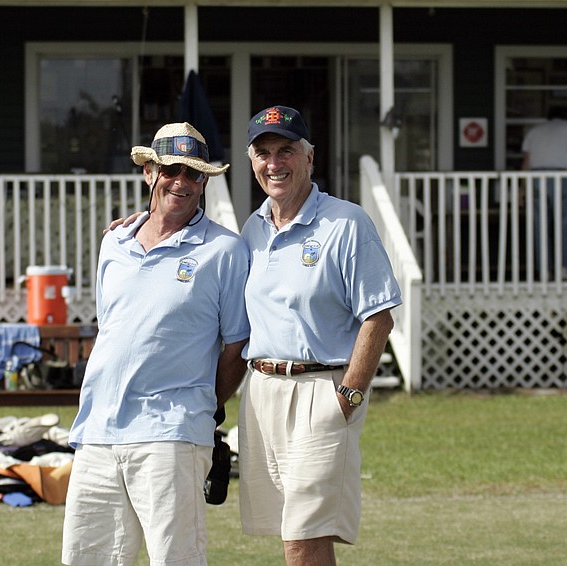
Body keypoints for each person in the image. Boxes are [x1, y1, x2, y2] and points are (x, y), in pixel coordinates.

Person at [61, 122, 250, 566]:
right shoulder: (114, 241)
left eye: (194, 174)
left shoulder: (226, 251)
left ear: (204, 182)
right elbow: (112, 330)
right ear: (149, 172)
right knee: (87, 560)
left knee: (176, 560)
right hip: (98, 431)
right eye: (171, 170)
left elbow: (235, 349)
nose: (182, 182)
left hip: (172, 434)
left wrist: (200, 402)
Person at [237, 105, 401, 565]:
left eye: (286, 150)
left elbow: (379, 317)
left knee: (304, 535)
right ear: (252, 161)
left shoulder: (347, 223)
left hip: (322, 390)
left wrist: (349, 394)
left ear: (310, 157)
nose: (275, 163)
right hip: (262, 389)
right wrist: (140, 223)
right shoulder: (253, 229)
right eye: (263, 152)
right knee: (289, 528)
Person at [521, 106, 567, 277]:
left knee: (540, 224)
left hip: (536, 177)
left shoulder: (535, 130)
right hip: (563, 175)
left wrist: (522, 189)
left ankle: (545, 270)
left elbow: (526, 162)